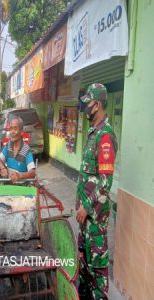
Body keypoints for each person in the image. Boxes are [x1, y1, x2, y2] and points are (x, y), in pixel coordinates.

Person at [76, 83, 118, 299]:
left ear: (98, 104)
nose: (85, 108)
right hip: (85, 216)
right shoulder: (94, 132)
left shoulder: (105, 137)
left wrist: (86, 207)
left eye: (88, 104)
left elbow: (105, 183)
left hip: (95, 216)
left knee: (98, 267)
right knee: (84, 259)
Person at [0, 116, 35, 184]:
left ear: (21, 132)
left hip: (22, 190)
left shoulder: (26, 150)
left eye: (15, 128)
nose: (12, 132)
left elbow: (32, 172)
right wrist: (2, 168)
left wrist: (20, 175)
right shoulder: (8, 146)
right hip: (8, 187)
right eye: (11, 129)